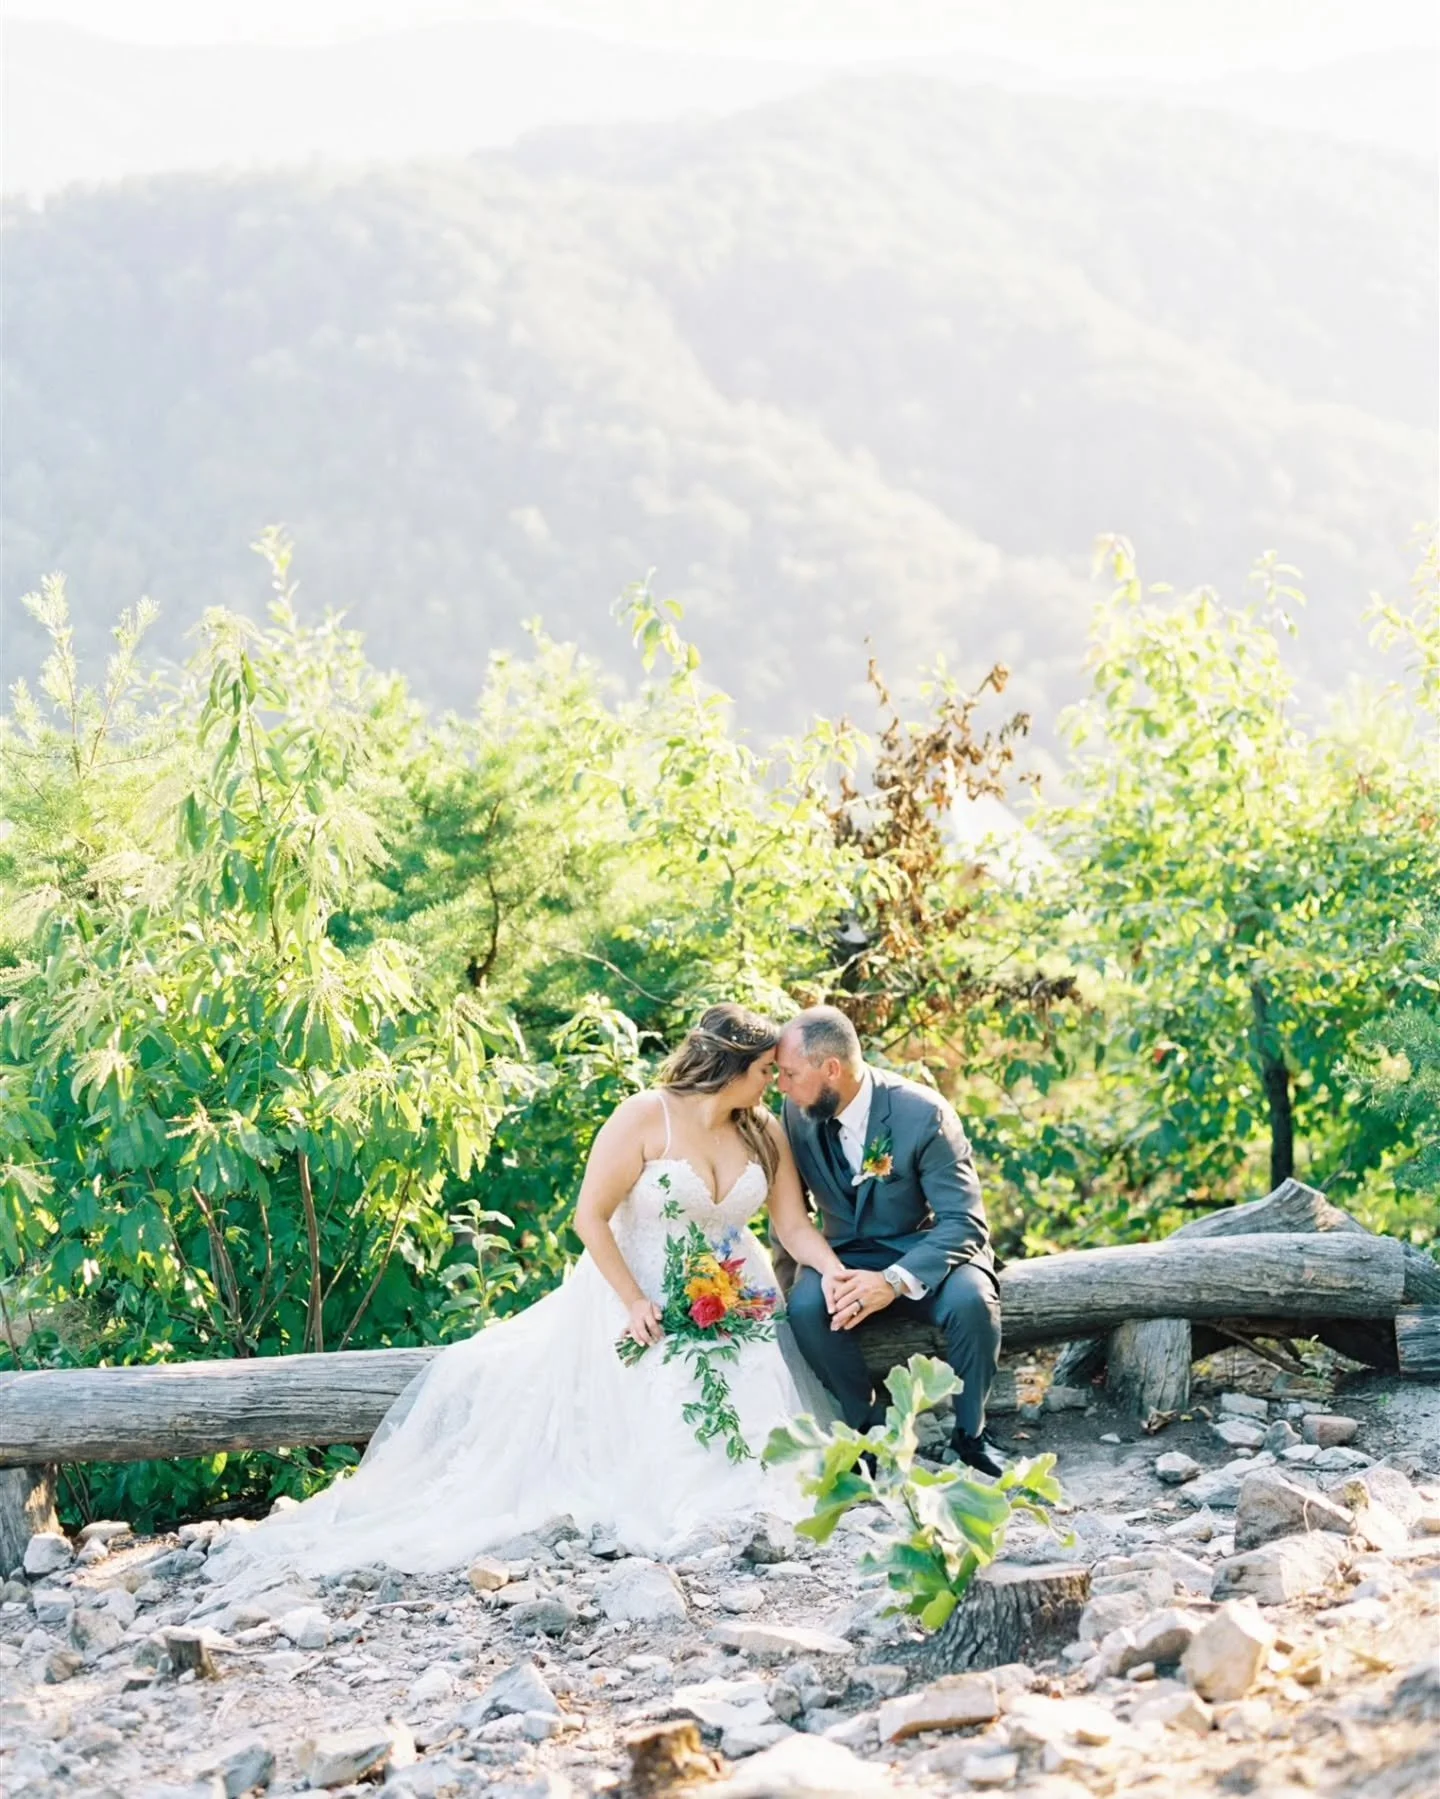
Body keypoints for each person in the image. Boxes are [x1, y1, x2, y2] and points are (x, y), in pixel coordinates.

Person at [206, 1005, 841, 1582]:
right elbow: (590, 1217)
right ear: (729, 1066)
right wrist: (634, 1300)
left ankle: (755, 1504)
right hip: (636, 1288)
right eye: (764, 1071)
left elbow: (790, 1226)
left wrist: (833, 1271)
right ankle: (687, 1503)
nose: (774, 1084)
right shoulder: (646, 1117)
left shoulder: (763, 1132)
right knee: (660, 1381)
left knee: (757, 1380)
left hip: (736, 1292)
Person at [775, 1005, 1005, 1477]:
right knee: (805, 1310)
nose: (781, 1085)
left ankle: (971, 1436)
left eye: (790, 1073)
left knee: (972, 1302)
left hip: (925, 1249)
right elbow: (790, 1214)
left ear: (831, 1069)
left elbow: (964, 1223)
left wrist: (894, 1281)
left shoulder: (924, 1115)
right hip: (845, 1254)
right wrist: (792, 1283)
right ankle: (868, 1431)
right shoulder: (797, 1112)